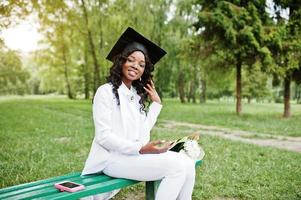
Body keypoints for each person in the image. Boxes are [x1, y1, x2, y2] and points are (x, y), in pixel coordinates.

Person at [82, 27, 196, 200]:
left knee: (187, 162)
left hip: (131, 156)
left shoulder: (135, 96)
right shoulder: (105, 92)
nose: (136, 66)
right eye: (131, 60)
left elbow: (142, 132)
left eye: (141, 64)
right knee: (177, 167)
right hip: (111, 158)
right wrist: (140, 149)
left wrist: (156, 104)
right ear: (121, 61)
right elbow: (103, 137)